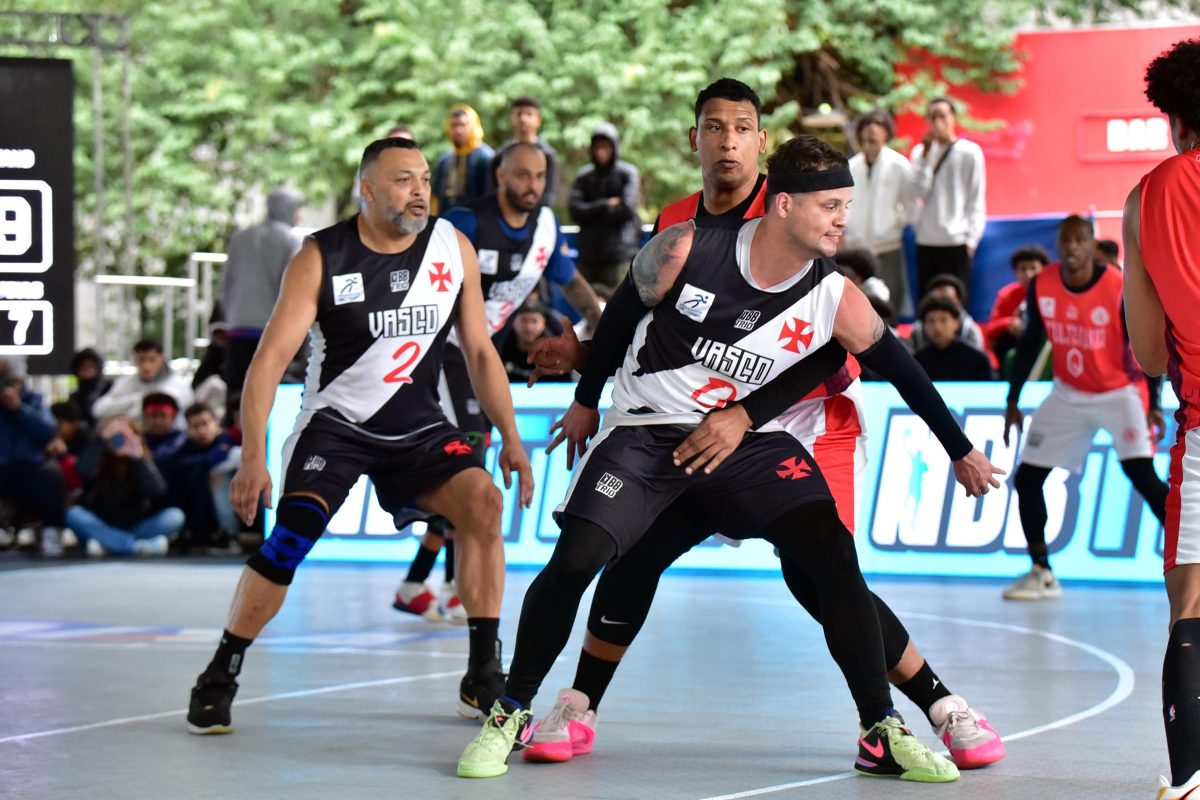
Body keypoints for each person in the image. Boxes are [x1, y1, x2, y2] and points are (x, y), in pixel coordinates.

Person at [458, 135, 1002, 782]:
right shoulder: (684, 246)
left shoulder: (835, 295)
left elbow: (903, 371)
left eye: (846, 206)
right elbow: (619, 324)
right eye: (830, 206)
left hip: (748, 440)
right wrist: (584, 392)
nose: (842, 220)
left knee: (829, 555)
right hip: (648, 431)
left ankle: (881, 727)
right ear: (783, 204)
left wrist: (962, 450)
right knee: (583, 558)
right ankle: (514, 710)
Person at [184, 136, 533, 736]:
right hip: (336, 426)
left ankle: (482, 673)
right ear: (367, 190)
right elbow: (267, 364)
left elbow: (480, 351)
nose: (419, 192)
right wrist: (252, 457)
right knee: (292, 536)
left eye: (424, 179)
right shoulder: (320, 256)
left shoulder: (452, 247)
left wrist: (512, 438)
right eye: (403, 180)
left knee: (483, 502)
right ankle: (221, 670)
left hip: (418, 426)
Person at [392, 142, 601, 626]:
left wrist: (602, 324)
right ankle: (449, 588)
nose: (533, 185)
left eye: (540, 176)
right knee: (468, 469)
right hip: (438, 352)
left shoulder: (545, 228)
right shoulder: (465, 223)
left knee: (471, 470)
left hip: (478, 357)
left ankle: (421, 583)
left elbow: (570, 281)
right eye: (523, 175)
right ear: (502, 175)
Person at [1002, 214, 1167, 600]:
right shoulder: (1043, 284)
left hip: (1120, 392)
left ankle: (1191, 561)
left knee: (1143, 476)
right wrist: (1012, 399)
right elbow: (1029, 342)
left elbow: (1145, 342)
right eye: (1066, 239)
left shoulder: (1117, 285)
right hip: (1068, 393)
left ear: (1093, 244)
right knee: (1027, 480)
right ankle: (1041, 571)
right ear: (1058, 245)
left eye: (1080, 239)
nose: (1072, 246)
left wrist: (1155, 402)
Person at [1119, 37, 1200, 799]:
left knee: (1192, 604)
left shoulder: (1147, 198)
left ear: (1174, 119)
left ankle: (1191, 780)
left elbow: (1146, 353)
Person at [220, 187, 306, 409]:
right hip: (271, 331)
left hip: (237, 329)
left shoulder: (241, 237)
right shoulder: (289, 240)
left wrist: (230, 318)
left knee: (238, 396)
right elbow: (294, 288)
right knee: (269, 397)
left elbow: (226, 283)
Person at [67, 415, 184, 556]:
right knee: (73, 514)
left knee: (175, 516)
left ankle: (110, 545)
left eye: (124, 435)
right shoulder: (98, 455)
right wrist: (101, 441)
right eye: (115, 435)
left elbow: (157, 490)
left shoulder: (141, 458)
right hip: (102, 524)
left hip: (136, 525)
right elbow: (83, 471)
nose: (119, 440)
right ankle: (135, 546)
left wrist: (139, 459)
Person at [910, 97, 987, 295]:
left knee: (957, 297)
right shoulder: (920, 152)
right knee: (928, 297)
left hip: (957, 240)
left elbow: (976, 199)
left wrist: (971, 239)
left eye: (942, 116)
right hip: (926, 240)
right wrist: (926, 158)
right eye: (932, 117)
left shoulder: (970, 152)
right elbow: (918, 192)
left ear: (953, 118)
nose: (937, 122)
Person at [847, 109, 916, 316]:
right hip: (857, 247)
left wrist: (894, 223)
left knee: (890, 302)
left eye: (878, 125)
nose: (872, 130)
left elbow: (911, 205)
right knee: (857, 304)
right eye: (867, 125)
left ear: (887, 132)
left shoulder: (899, 165)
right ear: (860, 132)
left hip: (888, 245)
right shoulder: (851, 166)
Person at [0, 358, 67, 556]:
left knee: (52, 476)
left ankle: (52, 532)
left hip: (30, 465)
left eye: (11, 380)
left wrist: (19, 409)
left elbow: (48, 433)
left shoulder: (34, 400)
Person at [568, 122, 642, 289]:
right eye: (597, 147)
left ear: (614, 148)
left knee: (618, 301)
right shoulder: (584, 176)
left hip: (619, 255)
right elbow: (575, 210)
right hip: (588, 256)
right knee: (587, 303)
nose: (601, 152)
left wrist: (591, 213)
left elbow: (627, 209)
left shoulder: (628, 173)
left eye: (606, 147)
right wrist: (605, 205)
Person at [158, 403, 240, 551]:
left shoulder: (225, 440)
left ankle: (229, 534)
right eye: (195, 426)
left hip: (233, 503)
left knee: (220, 477)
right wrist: (205, 469)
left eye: (205, 424)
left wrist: (208, 469)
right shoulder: (185, 446)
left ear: (216, 423)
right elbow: (171, 464)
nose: (201, 430)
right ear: (188, 429)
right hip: (196, 504)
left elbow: (217, 457)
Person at [92, 338, 194, 425]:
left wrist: (122, 410)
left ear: (162, 358)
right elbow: (99, 410)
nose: (146, 366)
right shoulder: (127, 382)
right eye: (141, 360)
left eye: (152, 360)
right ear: (134, 360)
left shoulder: (178, 384)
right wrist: (140, 399)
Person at [983, 245, 1049, 371]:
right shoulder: (1007, 295)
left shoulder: (1052, 294)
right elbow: (991, 330)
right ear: (1015, 272)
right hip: (1015, 345)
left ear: (1044, 270)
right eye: (1023, 269)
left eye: (1033, 268)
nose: (1028, 274)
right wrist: (1009, 324)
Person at [432, 104, 495, 214]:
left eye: (462, 125)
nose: (458, 130)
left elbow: (490, 198)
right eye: (453, 125)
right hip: (446, 219)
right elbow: (436, 198)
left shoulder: (485, 157)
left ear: (473, 126)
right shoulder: (444, 160)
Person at [913, 296, 994, 381]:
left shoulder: (978, 359)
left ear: (957, 323)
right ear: (924, 326)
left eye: (943, 320)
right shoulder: (917, 362)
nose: (937, 327)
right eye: (931, 321)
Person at [908, 273, 987, 354]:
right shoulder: (918, 331)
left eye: (948, 300)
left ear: (959, 302)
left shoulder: (969, 330)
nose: (937, 327)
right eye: (936, 300)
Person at [498, 299, 570, 384]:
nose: (529, 327)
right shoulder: (501, 346)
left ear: (544, 322)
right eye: (523, 321)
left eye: (534, 321)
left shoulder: (556, 351)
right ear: (513, 322)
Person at [67, 347, 111, 431]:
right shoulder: (75, 398)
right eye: (83, 367)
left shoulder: (109, 389)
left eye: (91, 366)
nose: (88, 370)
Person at [141, 392, 186, 461]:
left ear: (173, 417)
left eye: (163, 416)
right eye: (153, 415)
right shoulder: (139, 441)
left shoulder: (184, 440)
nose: (158, 421)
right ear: (145, 417)